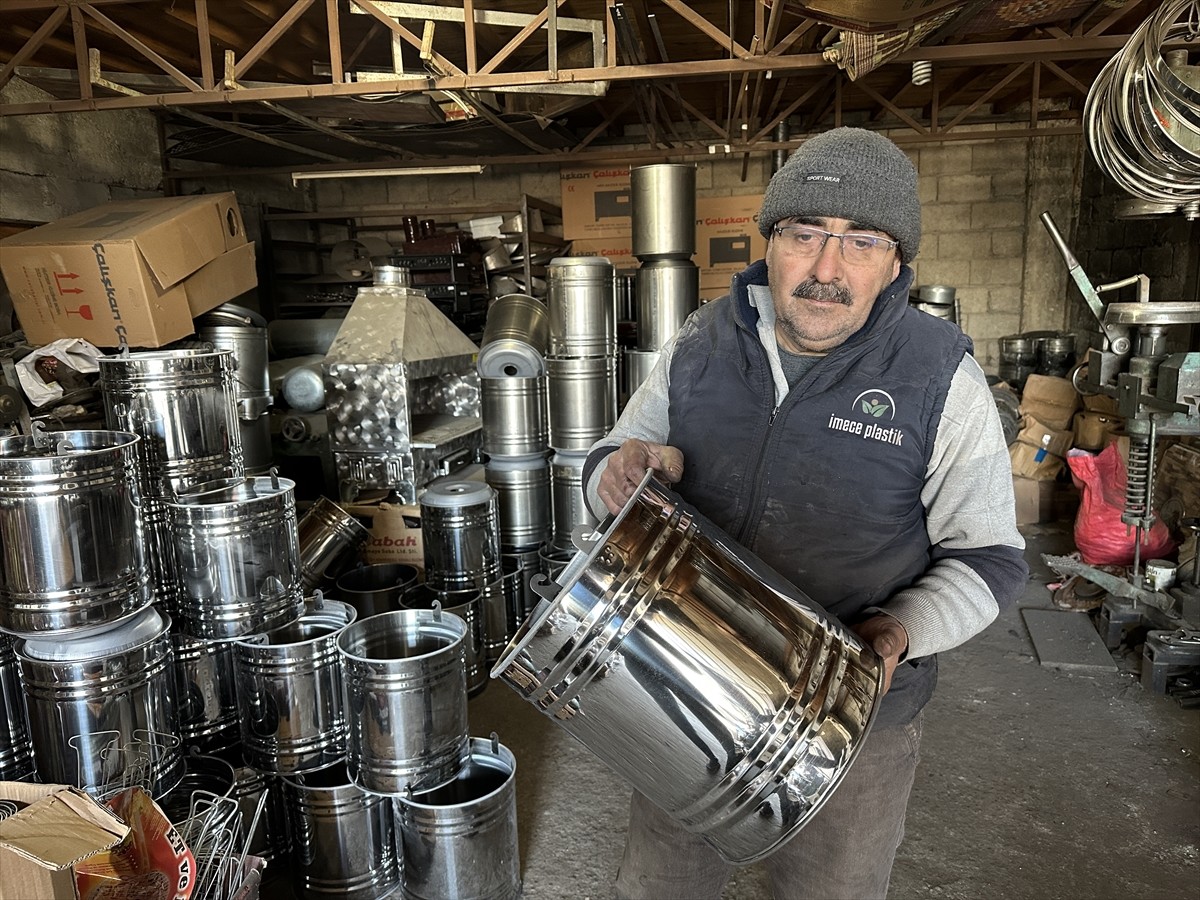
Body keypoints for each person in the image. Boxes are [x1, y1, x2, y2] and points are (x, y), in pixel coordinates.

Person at [583, 126, 1029, 900]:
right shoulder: (699, 342)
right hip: (683, 687)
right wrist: (617, 476)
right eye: (805, 234)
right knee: (658, 885)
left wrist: (898, 632)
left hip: (851, 722)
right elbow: (614, 457)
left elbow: (988, 558)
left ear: (896, 262)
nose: (827, 269)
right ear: (770, 243)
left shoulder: (939, 379)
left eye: (861, 241)